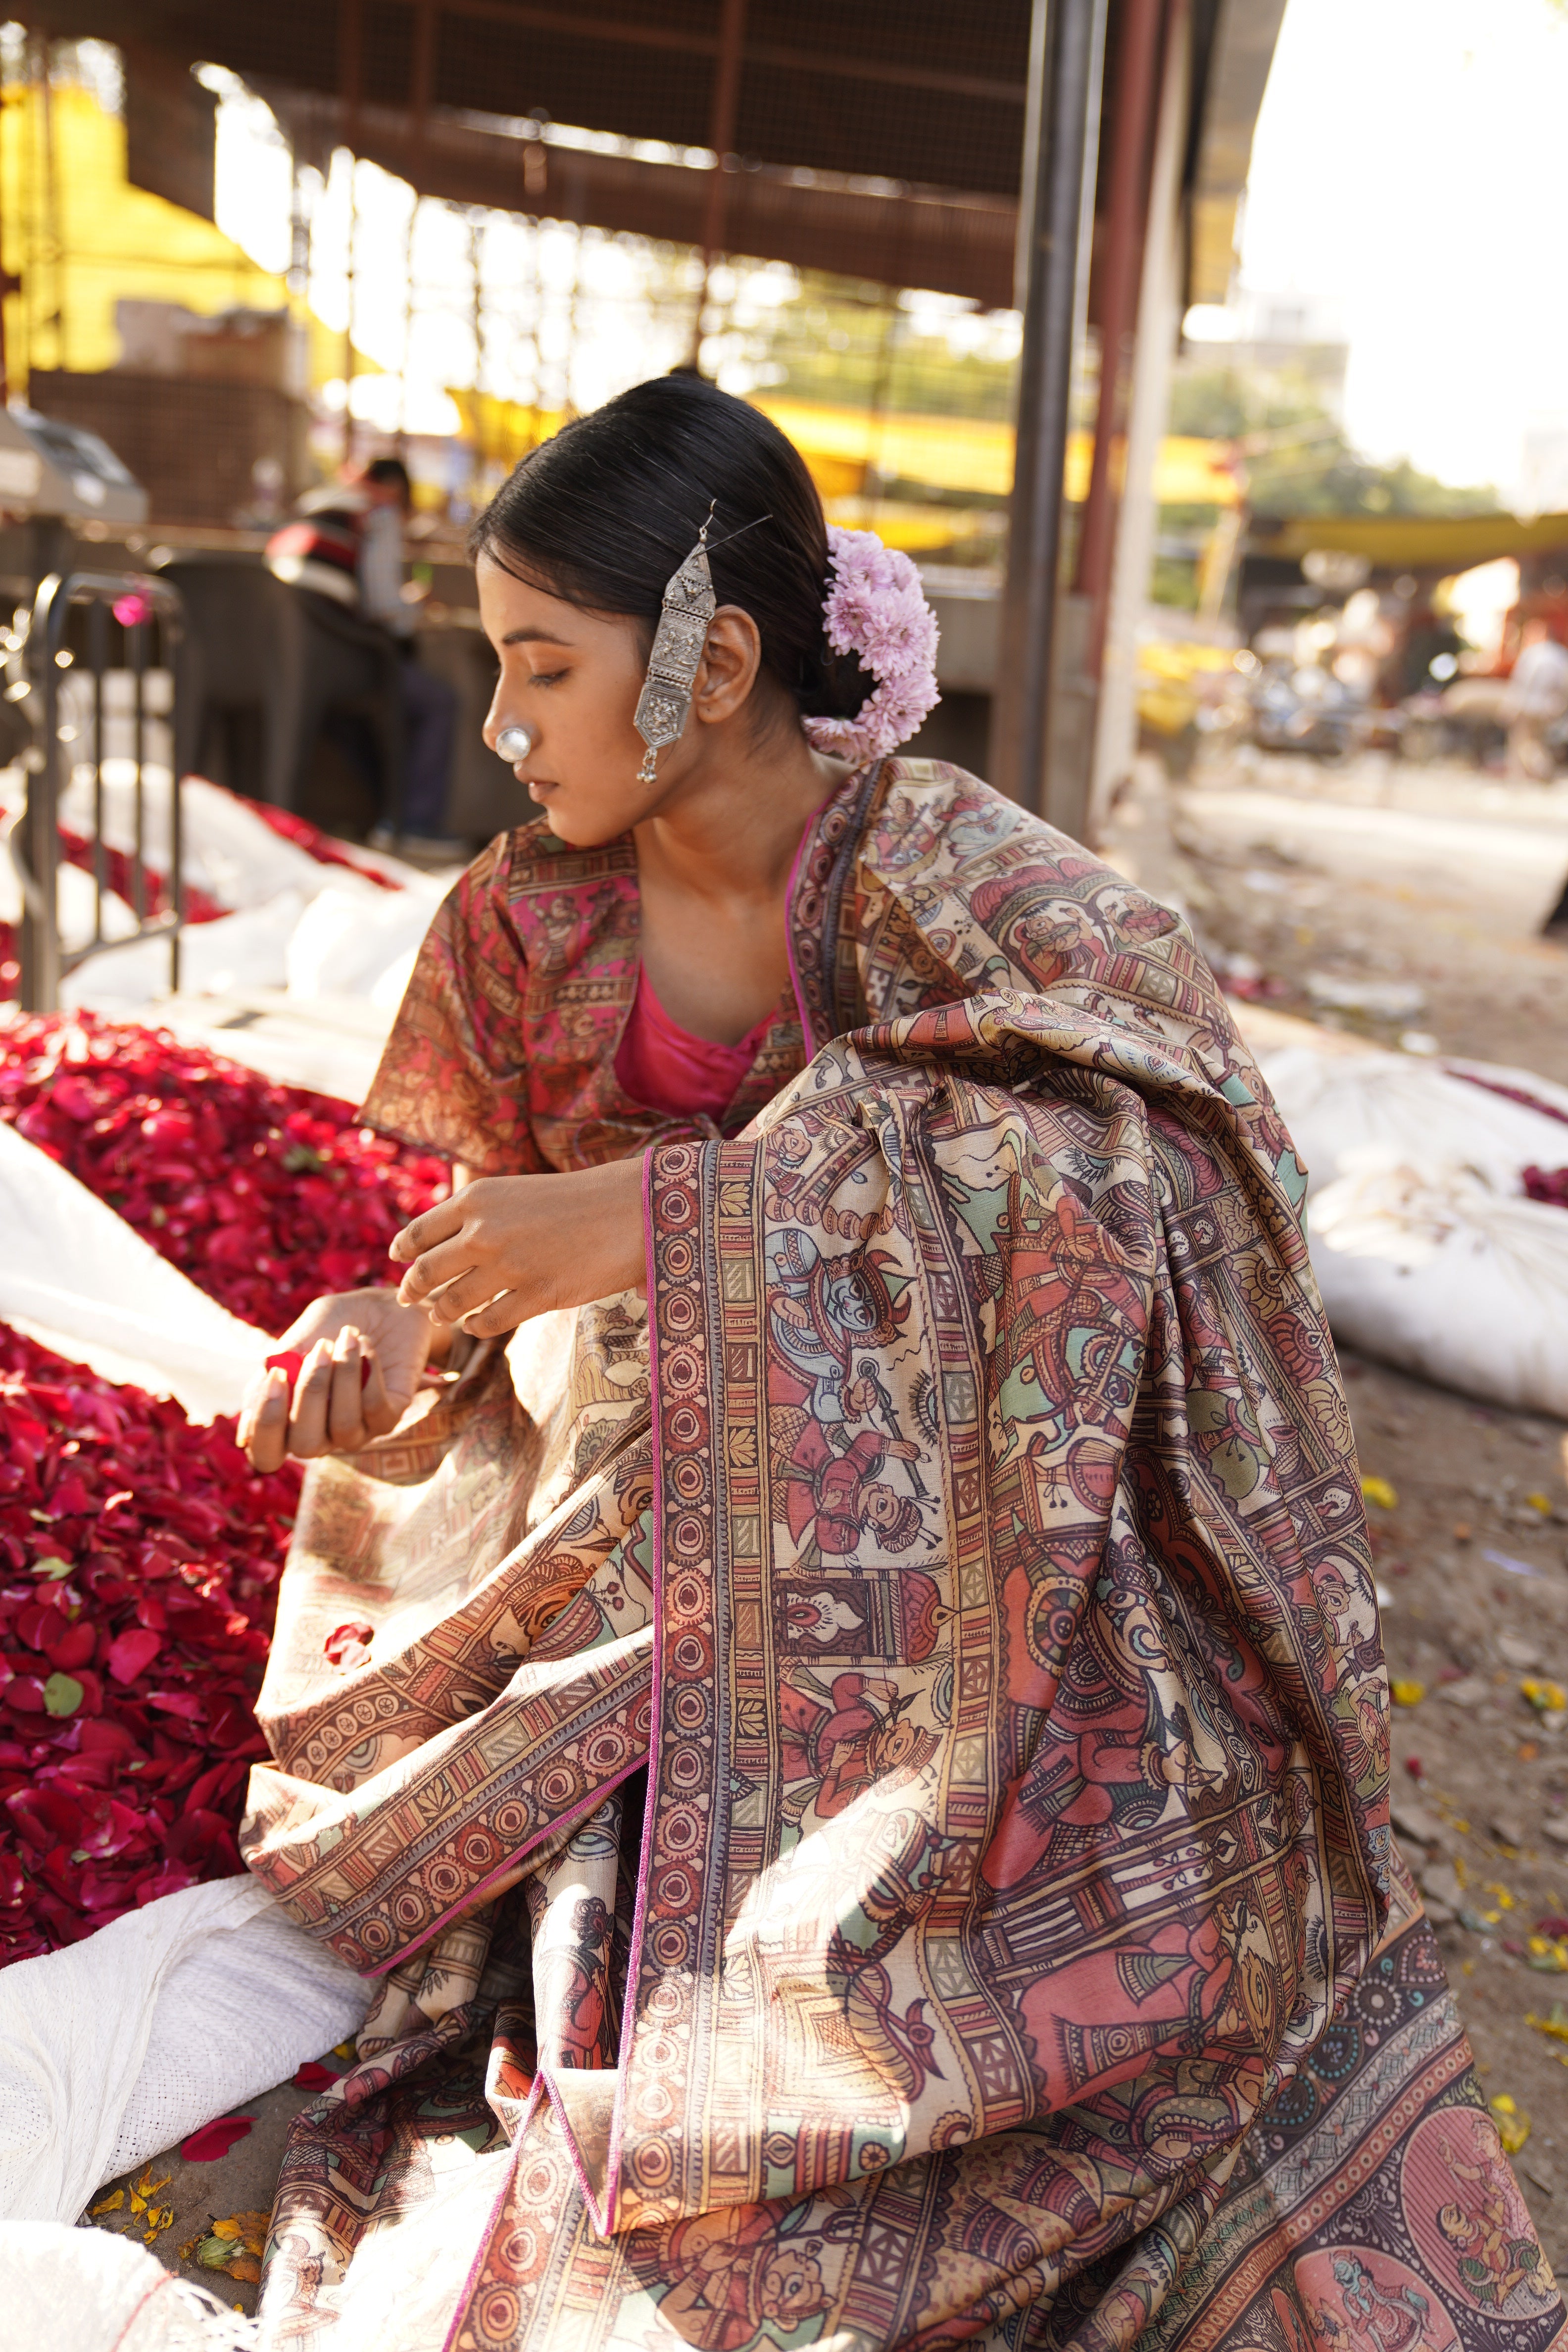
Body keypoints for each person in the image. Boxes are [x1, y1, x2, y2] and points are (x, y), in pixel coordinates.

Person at [233, 378, 1559, 2352]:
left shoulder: (962, 878)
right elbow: (479, 1250)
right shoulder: (519, 928)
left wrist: (687, 1222)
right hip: (643, 1561)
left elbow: (1194, 1157)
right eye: (488, 664)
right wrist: (394, 1331)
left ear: (715, 659)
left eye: (543, 666)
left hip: (968, 1592)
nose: (500, 726)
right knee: (611, 1983)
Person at [267, 454, 463, 853]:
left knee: (359, 717)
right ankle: (417, 825)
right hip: (338, 654)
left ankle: (388, 817)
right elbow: (384, 608)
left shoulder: (311, 506)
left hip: (281, 656)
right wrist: (416, 608)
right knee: (438, 702)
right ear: (395, 490)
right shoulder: (380, 513)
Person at [1505, 614, 1568, 781]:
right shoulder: (1562, 656)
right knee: (1538, 742)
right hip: (1547, 708)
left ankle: (1525, 776)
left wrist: (1511, 706)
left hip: (1528, 706)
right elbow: (1564, 686)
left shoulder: (1531, 653)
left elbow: (1521, 683)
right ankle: (1540, 772)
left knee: (1522, 743)